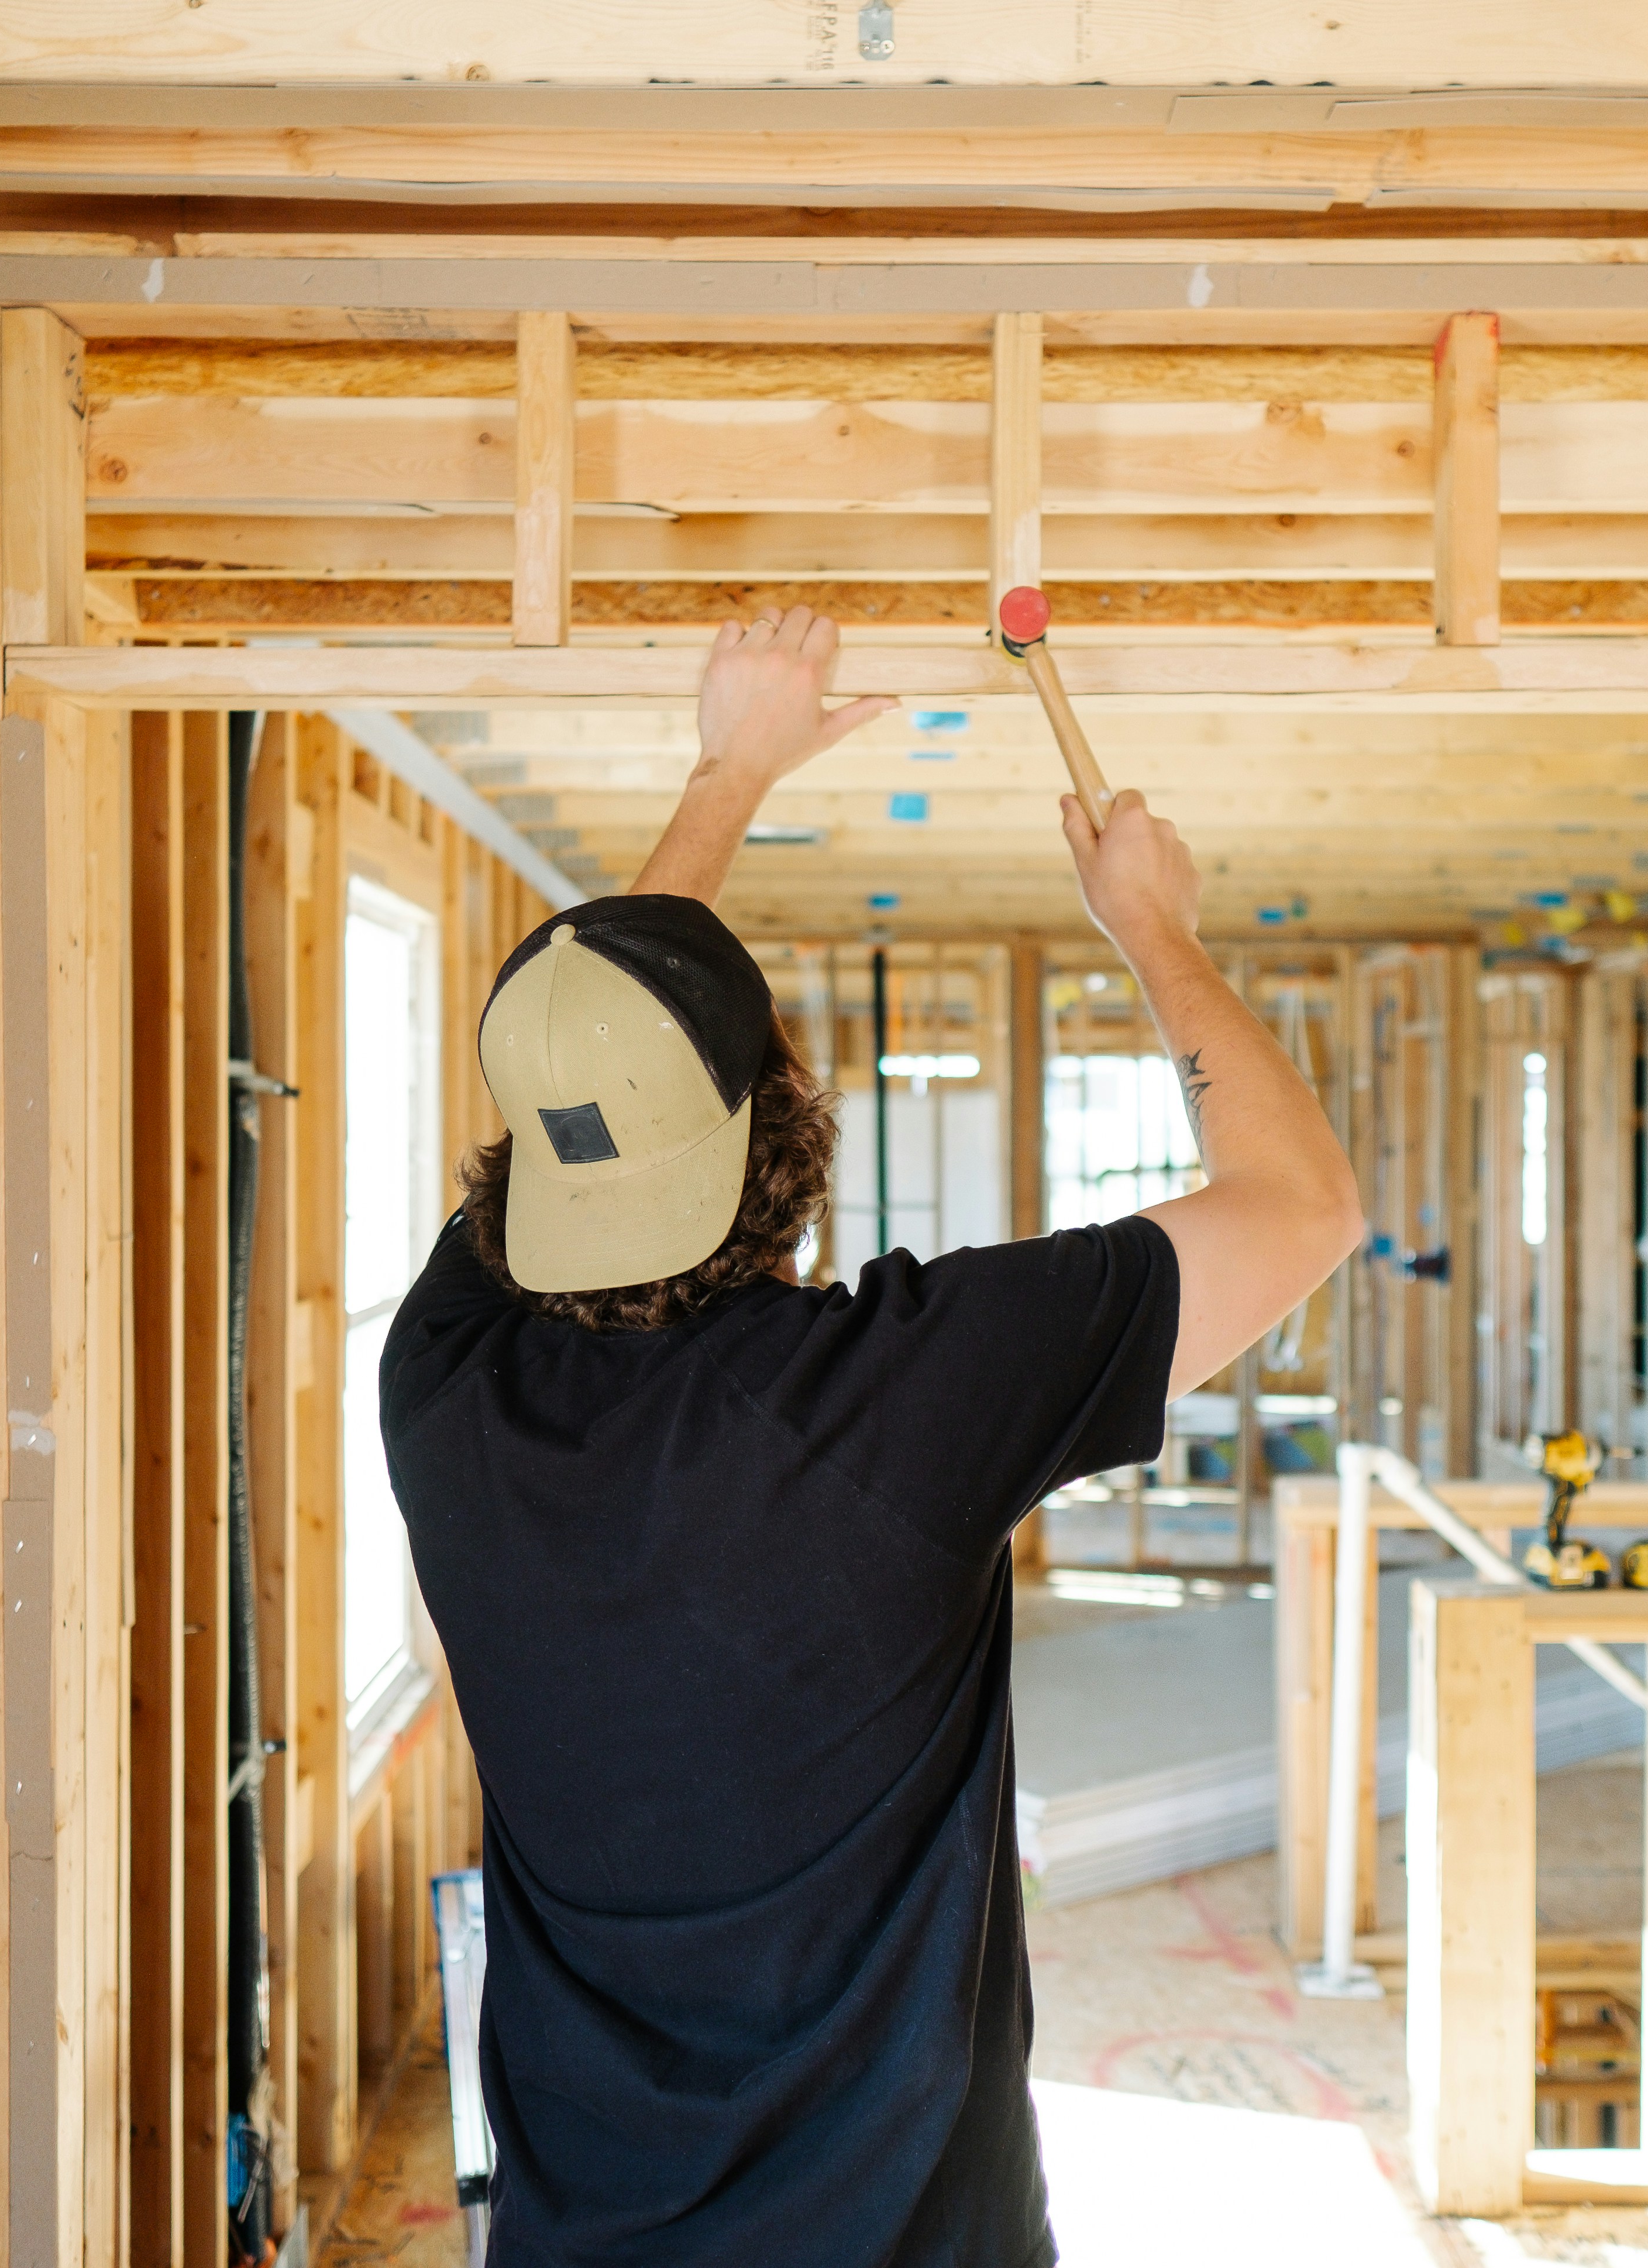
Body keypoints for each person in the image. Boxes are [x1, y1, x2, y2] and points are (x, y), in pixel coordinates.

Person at [379, 606, 1364, 2266]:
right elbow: (1305, 1204)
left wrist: (724, 777)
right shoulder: (899, 1398)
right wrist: (1155, 933)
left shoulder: (446, 1383)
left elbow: (591, 1070)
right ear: (781, 1131)